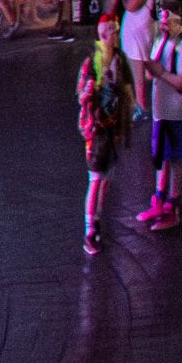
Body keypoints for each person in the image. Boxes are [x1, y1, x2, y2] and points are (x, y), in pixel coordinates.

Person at [138, 1, 182, 230]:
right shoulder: (161, 38)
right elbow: (151, 72)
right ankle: (159, 200)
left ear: (176, 19)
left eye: (167, 20)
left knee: (175, 156)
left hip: (177, 109)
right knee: (161, 155)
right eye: (161, 20)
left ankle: (172, 205)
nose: (163, 24)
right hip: (161, 108)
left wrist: (160, 72)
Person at [78, 28, 133, 251]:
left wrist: (126, 122)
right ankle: (89, 230)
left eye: (114, 31)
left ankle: (96, 220)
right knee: (95, 180)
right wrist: (89, 91)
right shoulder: (92, 64)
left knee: (106, 179)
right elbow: (82, 96)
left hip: (113, 130)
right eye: (107, 32)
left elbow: (127, 93)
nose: (113, 35)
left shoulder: (119, 61)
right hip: (98, 132)